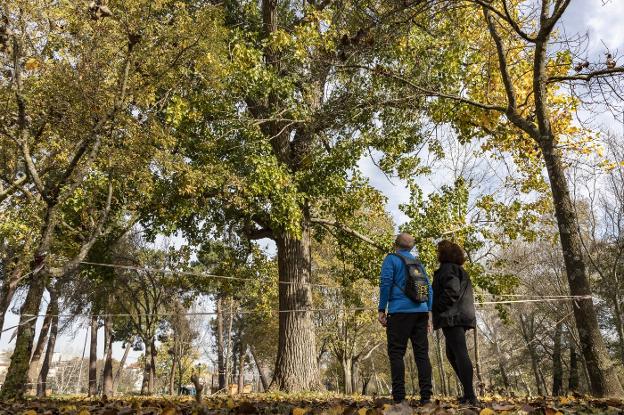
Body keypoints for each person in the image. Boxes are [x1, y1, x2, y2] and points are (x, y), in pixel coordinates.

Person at [378, 233, 433, 406]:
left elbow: (386, 283)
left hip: (399, 312)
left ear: (396, 245)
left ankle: (400, 397)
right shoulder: (417, 263)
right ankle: (426, 397)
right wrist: (429, 312)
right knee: (422, 354)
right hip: (421, 312)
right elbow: (428, 288)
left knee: (396, 353)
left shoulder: (391, 259)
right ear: (411, 247)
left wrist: (382, 308)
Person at [431, 240, 478, 405]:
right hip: (458, 315)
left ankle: (471, 396)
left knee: (459, 353)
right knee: (452, 354)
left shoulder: (448, 269)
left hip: (452, 316)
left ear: (444, 253)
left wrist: (435, 306)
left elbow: (451, 291)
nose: (437, 254)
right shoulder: (458, 269)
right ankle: (468, 393)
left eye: (438, 251)